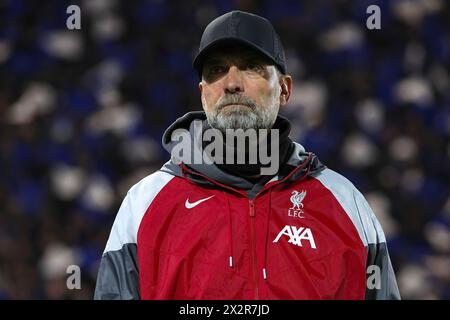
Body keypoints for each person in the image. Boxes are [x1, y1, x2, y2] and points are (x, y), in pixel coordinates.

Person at [94, 10, 400, 300]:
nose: (232, 83)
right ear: (203, 93)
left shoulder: (345, 203)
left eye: (252, 67)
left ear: (284, 89)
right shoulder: (145, 204)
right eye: (217, 70)